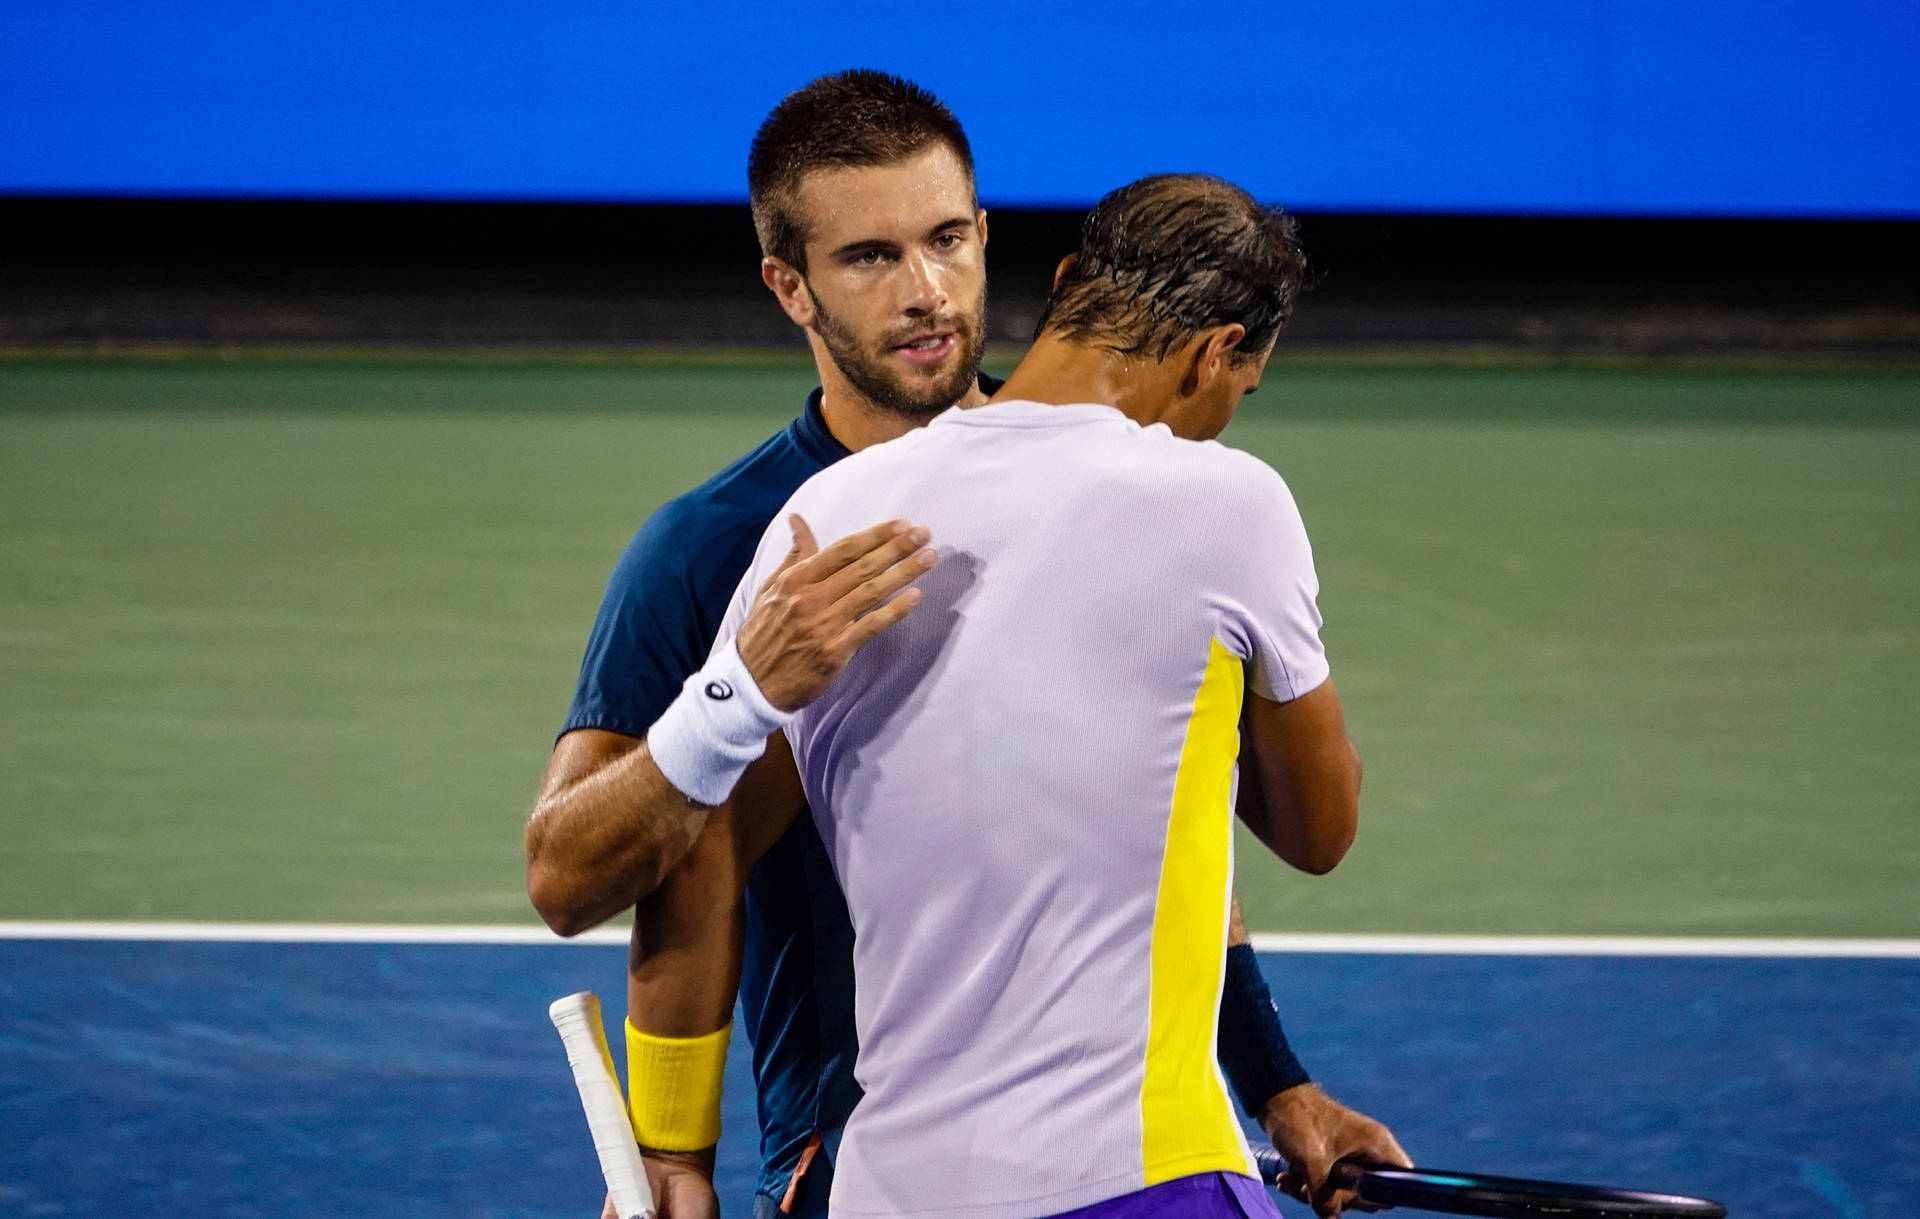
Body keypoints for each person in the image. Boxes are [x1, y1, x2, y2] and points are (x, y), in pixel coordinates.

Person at [523, 71, 1399, 1219]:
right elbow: (600, 872)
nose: (928, 292)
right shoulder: (723, 545)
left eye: (947, 239)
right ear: (791, 287)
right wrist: (673, 1146)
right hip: (841, 1148)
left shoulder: (1135, 493)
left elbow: (1139, 824)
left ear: (992, 237)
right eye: (871, 258)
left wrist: (1275, 1079)